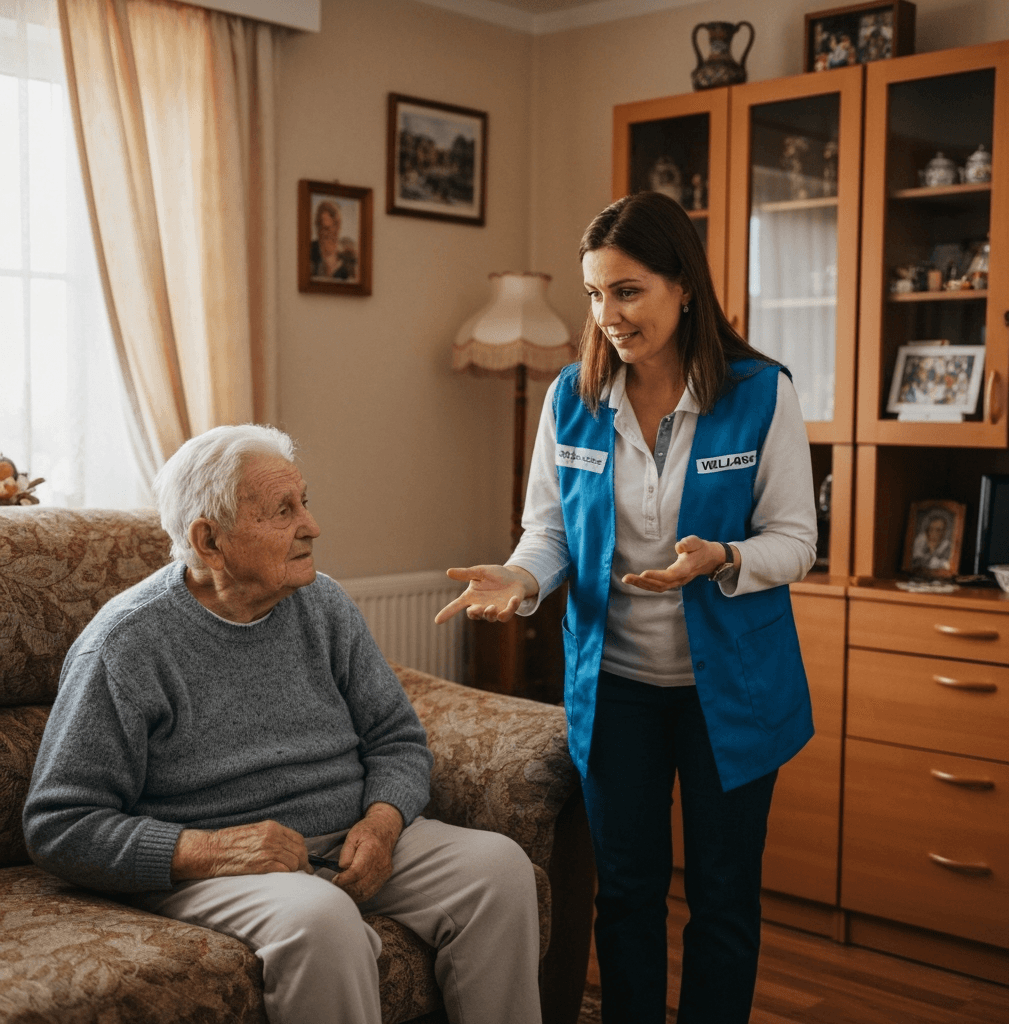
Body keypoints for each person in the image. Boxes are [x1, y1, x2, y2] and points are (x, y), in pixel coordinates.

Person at [436, 191, 817, 1024]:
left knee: (722, 899)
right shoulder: (571, 398)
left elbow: (796, 540)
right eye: (596, 294)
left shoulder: (759, 394)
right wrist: (521, 579)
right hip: (617, 690)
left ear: (685, 286)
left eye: (628, 291)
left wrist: (724, 559)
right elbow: (549, 532)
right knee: (628, 893)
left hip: (733, 696)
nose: (607, 314)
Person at [23, 424, 542, 1024]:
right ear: (209, 541)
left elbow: (396, 739)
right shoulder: (126, 645)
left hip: (348, 834)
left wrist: (381, 824)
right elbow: (58, 824)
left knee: (500, 871)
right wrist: (211, 850)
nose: (312, 526)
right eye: (282, 511)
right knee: (320, 920)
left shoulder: (322, 604)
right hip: (217, 861)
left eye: (305, 502)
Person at [310, 198, 350, 279]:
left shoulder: (347, 256)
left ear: (337, 227)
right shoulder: (309, 250)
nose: (323, 233)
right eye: (320, 227)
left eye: (327, 228)